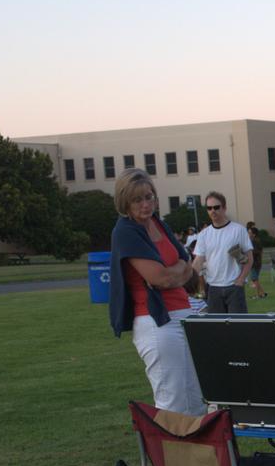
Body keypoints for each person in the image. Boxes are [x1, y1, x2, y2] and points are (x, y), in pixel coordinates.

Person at [107, 168, 204, 415]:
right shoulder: (126, 231)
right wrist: (176, 272)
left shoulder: (159, 224)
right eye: (137, 199)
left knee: (198, 399)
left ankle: (198, 454)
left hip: (186, 315)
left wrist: (176, 273)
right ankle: (170, 454)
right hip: (157, 322)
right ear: (125, 202)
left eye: (149, 197)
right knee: (173, 403)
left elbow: (188, 267)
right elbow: (158, 278)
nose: (145, 204)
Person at [191, 191, 252, 314]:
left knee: (238, 327)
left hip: (234, 287)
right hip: (213, 288)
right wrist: (188, 280)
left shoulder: (238, 230)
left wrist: (240, 280)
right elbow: (198, 261)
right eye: (209, 208)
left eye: (216, 207)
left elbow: (249, 259)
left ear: (224, 208)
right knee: (217, 329)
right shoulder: (204, 234)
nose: (213, 211)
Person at [246, 222, 269, 298]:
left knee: (254, 279)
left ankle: (262, 293)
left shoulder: (254, 242)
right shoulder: (256, 241)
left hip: (254, 263)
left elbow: (254, 252)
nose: (248, 234)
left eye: (249, 233)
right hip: (257, 263)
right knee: (255, 279)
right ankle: (258, 294)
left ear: (254, 234)